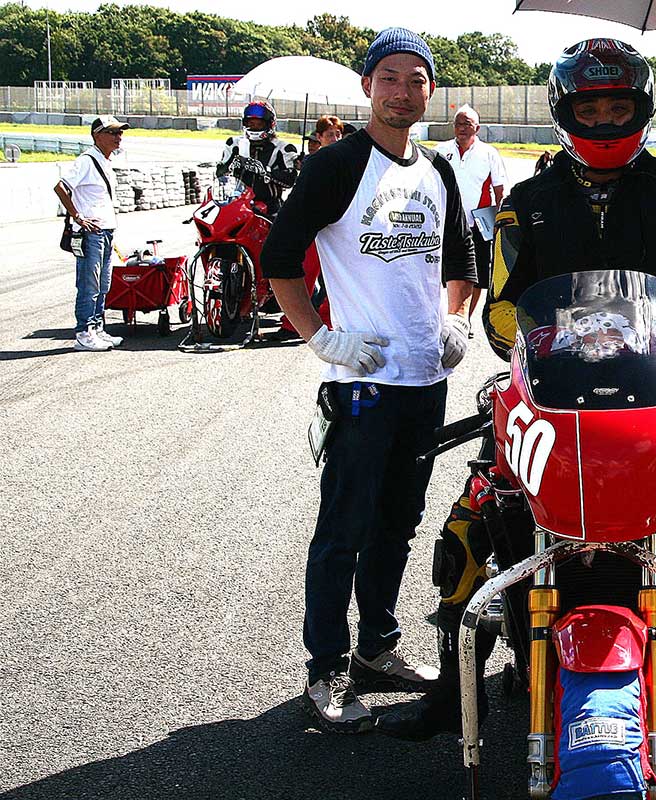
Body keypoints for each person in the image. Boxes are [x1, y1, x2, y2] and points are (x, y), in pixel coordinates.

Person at [376, 36, 656, 778]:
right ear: (565, 110)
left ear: (640, 110)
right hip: (546, 401)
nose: (606, 118)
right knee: (467, 533)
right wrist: (569, 335)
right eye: (591, 107)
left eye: (618, 106)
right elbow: (501, 311)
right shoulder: (526, 201)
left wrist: (645, 337)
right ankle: (455, 694)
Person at [260, 26, 477, 734]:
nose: (402, 91)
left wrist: (455, 320)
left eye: (417, 80)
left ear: (431, 91)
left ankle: (376, 650)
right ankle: (325, 667)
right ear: (367, 87)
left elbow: (463, 261)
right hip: (363, 381)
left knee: (398, 526)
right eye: (389, 78)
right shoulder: (338, 164)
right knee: (343, 530)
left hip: (425, 379)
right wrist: (320, 336)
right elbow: (279, 257)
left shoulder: (438, 169)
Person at [53, 115, 128, 352]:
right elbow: (60, 187)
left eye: (120, 132)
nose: (118, 137)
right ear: (97, 135)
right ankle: (84, 333)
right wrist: (78, 216)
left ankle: (97, 328)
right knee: (89, 284)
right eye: (112, 132)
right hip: (90, 233)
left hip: (105, 229)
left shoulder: (105, 160)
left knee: (103, 284)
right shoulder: (87, 160)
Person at [435, 104, 507, 336]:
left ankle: (463, 320)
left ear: (477, 128)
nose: (462, 128)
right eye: (458, 123)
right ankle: (444, 316)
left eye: (467, 124)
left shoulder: (489, 153)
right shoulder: (440, 151)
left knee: (476, 275)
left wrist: (498, 222)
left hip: (478, 224)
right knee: (442, 273)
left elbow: (500, 190)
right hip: (446, 223)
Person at [216, 100, 299, 216]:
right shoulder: (234, 144)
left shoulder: (283, 148)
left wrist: (265, 171)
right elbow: (220, 173)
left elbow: (290, 180)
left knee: (281, 224)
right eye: (251, 124)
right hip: (238, 204)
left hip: (270, 207)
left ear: (269, 124)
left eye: (259, 124)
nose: (254, 127)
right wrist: (229, 166)